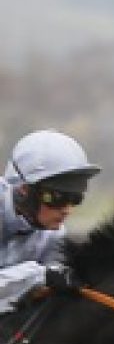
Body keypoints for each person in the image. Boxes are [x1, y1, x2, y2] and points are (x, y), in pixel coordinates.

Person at [0, 130, 99, 317]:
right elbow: (43, 276)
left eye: (75, 199)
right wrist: (39, 276)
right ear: (23, 190)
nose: (67, 210)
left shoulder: (53, 233)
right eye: (57, 197)